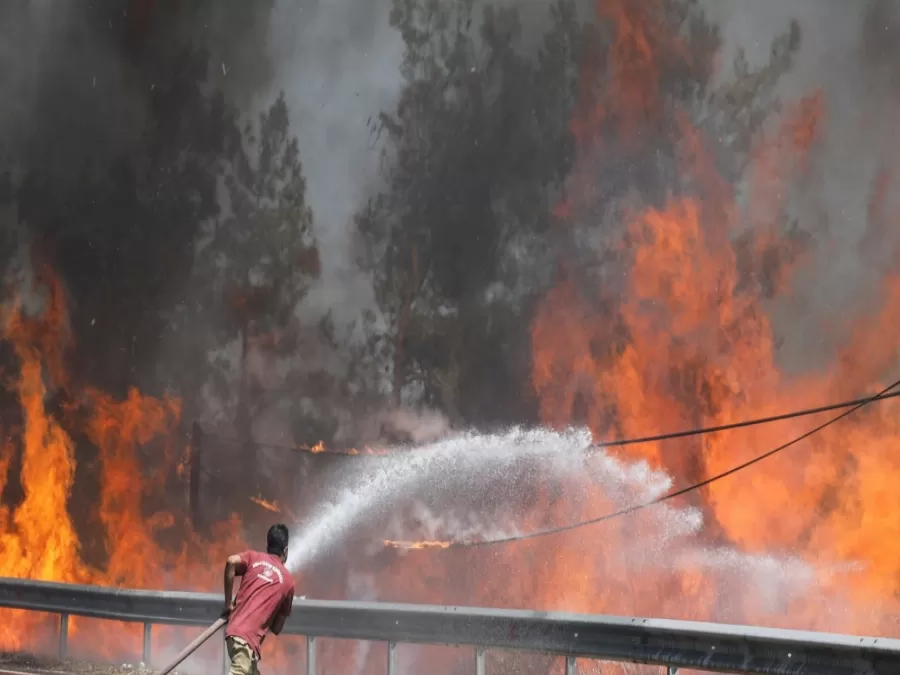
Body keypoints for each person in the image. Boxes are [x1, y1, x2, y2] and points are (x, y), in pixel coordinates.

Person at [223, 524, 296, 675]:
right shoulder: (288, 582)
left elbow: (231, 562)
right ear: (286, 550)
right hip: (246, 642)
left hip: (235, 634)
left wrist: (228, 604)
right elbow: (276, 628)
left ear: (268, 545)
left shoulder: (253, 557)